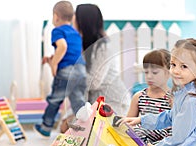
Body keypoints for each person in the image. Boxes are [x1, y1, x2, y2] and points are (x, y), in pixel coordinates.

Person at [34, 1, 86, 137]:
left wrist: (55, 64)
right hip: (80, 70)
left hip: (66, 71)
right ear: (72, 17)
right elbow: (73, 52)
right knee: (78, 101)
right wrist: (53, 58)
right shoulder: (76, 33)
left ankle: (46, 127)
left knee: (55, 99)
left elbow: (62, 47)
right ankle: (86, 126)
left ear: (56, 16)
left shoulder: (57, 30)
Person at [74, 4, 131, 114]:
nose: (73, 22)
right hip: (95, 103)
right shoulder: (84, 46)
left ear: (83, 22)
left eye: (75, 18)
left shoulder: (103, 47)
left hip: (113, 102)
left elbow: (94, 82)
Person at [127, 49, 172, 144]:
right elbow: (128, 125)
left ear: (168, 73)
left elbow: (175, 130)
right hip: (137, 143)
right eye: (146, 72)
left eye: (155, 72)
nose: (149, 76)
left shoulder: (172, 99)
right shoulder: (139, 97)